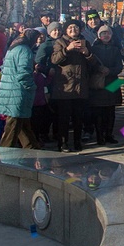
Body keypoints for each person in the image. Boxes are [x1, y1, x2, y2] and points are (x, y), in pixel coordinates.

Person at [51, 20, 96, 152]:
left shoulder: (85, 42)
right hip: (64, 88)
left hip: (80, 86)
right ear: (65, 30)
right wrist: (67, 49)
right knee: (63, 118)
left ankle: (77, 142)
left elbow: (93, 64)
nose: (73, 30)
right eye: (70, 28)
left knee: (78, 118)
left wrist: (87, 53)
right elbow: (54, 60)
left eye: (75, 27)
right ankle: (63, 143)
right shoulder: (60, 42)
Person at [0, 29, 43, 149]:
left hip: (9, 91)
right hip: (18, 93)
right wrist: (32, 87)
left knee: (23, 127)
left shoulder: (13, 47)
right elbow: (24, 74)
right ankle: (3, 157)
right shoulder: (25, 50)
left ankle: (33, 151)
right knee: (12, 129)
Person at [89, 25, 124, 145]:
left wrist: (110, 70)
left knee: (111, 111)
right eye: (103, 33)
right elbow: (90, 65)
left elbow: (119, 67)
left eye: (108, 33)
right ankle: (100, 136)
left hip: (113, 81)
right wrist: (99, 69)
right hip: (98, 83)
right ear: (99, 36)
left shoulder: (115, 49)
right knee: (99, 112)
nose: (106, 36)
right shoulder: (94, 49)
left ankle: (109, 134)